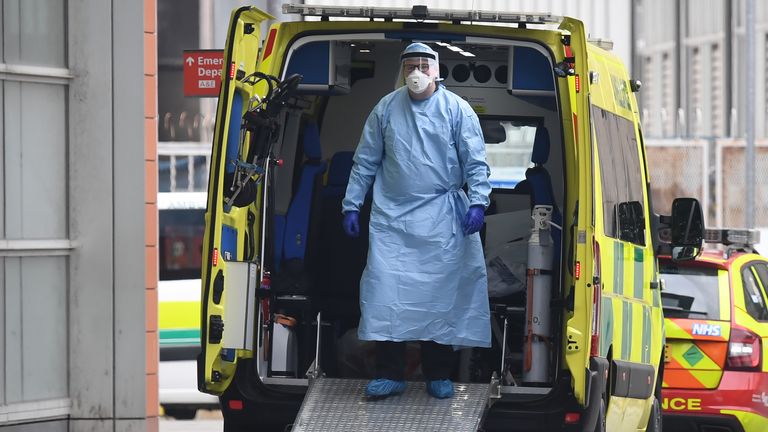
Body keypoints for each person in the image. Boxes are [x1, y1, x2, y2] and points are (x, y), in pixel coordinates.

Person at [341, 42, 492, 399]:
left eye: (424, 65)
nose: (417, 73)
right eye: (410, 65)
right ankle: (389, 373)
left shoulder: (457, 109)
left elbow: (476, 162)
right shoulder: (386, 108)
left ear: (437, 71)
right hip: (393, 219)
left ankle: (438, 374)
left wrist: (478, 203)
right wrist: (351, 204)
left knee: (438, 299)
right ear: (402, 70)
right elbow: (365, 161)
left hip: (442, 220)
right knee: (387, 294)